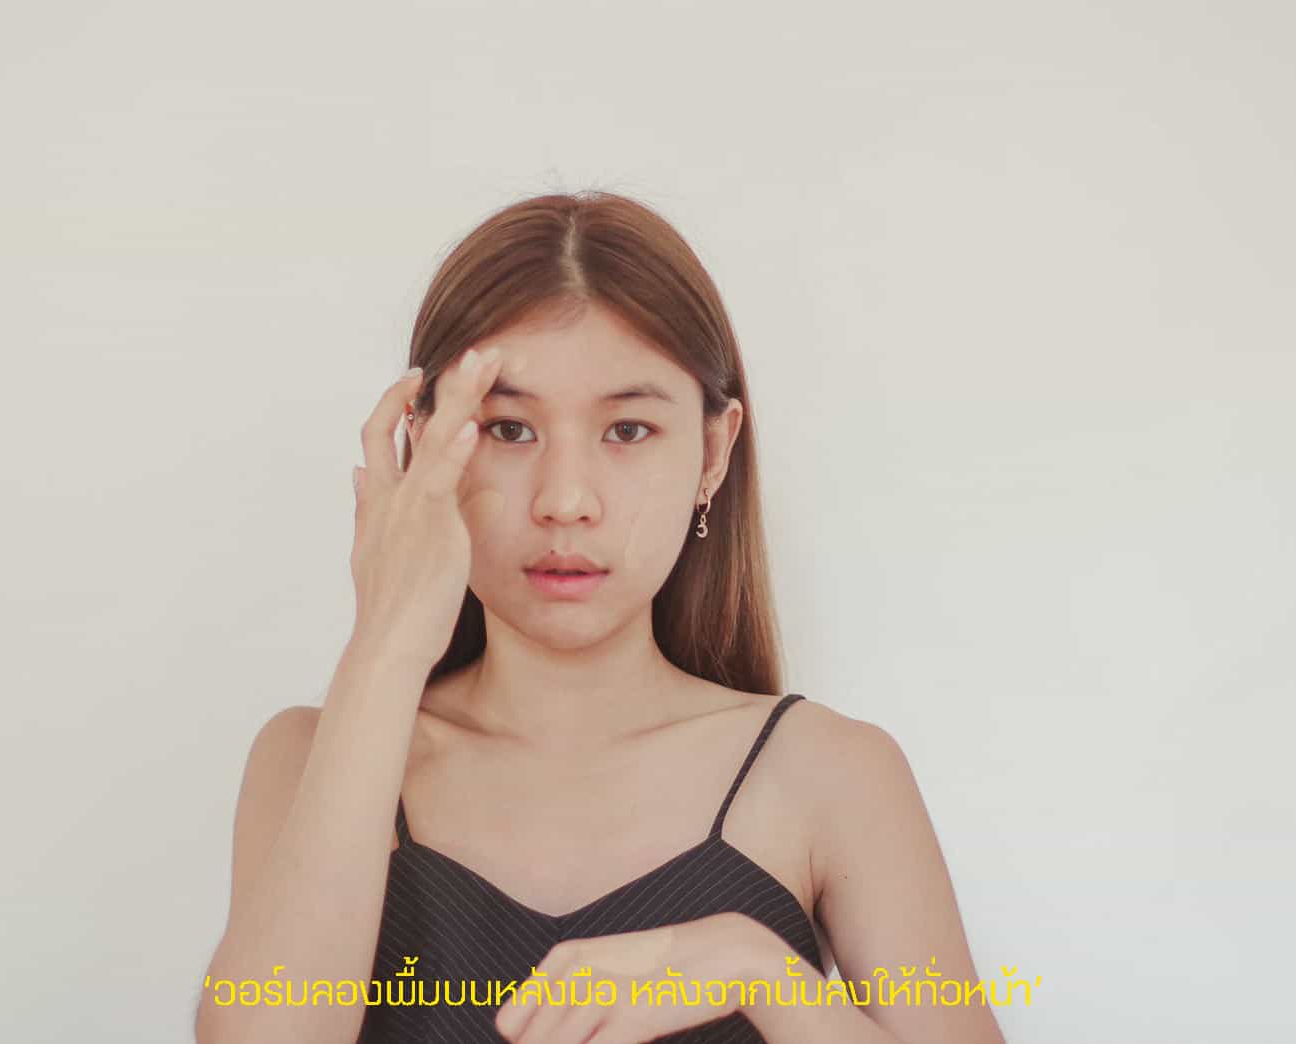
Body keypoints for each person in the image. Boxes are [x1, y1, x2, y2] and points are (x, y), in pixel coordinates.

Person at [195, 192, 1006, 1044]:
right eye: (509, 429)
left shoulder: (830, 774)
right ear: (422, 443)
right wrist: (388, 638)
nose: (566, 499)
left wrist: (763, 975)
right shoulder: (310, 760)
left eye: (627, 430)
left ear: (715, 451)